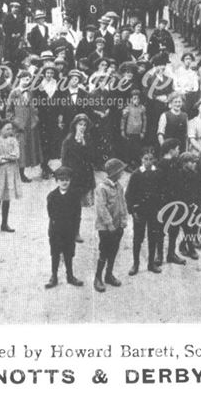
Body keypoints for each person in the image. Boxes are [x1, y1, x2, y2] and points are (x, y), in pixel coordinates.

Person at [60, 113, 99, 241]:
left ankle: (76, 232)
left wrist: (84, 145)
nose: (82, 127)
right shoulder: (68, 140)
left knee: (77, 207)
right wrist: (65, 177)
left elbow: (93, 157)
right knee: (69, 205)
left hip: (84, 176)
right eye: (80, 124)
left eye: (84, 125)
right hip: (72, 177)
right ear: (75, 125)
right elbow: (64, 160)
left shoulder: (88, 139)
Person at [126, 149, 164, 276]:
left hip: (154, 210)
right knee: (138, 237)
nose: (148, 162)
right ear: (141, 160)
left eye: (150, 159)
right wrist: (132, 210)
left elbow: (162, 192)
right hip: (140, 211)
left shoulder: (158, 173)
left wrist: (161, 208)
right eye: (145, 159)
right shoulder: (136, 174)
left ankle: (151, 263)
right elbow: (129, 194)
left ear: (153, 160)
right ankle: (135, 263)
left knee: (153, 236)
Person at [45, 167, 84, 289]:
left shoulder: (74, 196)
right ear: (57, 181)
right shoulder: (52, 196)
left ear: (70, 180)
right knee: (55, 254)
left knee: (69, 253)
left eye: (67, 179)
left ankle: (70, 276)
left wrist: (75, 231)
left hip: (69, 230)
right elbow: (51, 214)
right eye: (61, 180)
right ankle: (54, 276)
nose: (64, 182)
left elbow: (77, 215)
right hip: (56, 230)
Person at [94, 158, 129, 291]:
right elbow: (101, 208)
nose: (122, 173)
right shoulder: (102, 188)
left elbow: (123, 203)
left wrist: (124, 219)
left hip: (118, 226)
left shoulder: (119, 186)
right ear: (114, 173)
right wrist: (109, 224)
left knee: (114, 250)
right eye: (120, 171)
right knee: (104, 251)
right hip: (106, 228)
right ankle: (98, 277)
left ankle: (109, 274)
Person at [7, 71, 42, 182]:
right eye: (24, 79)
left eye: (28, 80)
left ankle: (24, 172)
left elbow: (34, 108)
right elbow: (9, 111)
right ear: (19, 79)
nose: (26, 82)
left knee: (28, 149)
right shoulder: (14, 93)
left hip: (30, 125)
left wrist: (35, 119)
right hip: (19, 126)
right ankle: (20, 174)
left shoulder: (31, 92)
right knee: (20, 150)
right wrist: (15, 122)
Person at [120, 90, 147, 169]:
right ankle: (127, 164)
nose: (136, 100)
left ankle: (135, 164)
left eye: (137, 98)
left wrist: (143, 131)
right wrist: (122, 130)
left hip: (138, 132)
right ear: (131, 99)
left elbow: (145, 120)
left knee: (137, 148)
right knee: (128, 148)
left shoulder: (142, 108)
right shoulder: (127, 108)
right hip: (129, 131)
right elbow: (123, 119)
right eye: (134, 98)